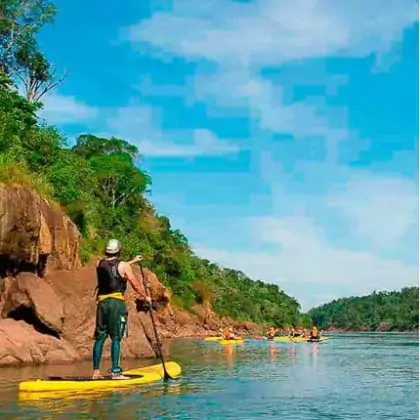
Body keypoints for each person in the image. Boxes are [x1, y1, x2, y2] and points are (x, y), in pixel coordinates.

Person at [92, 239, 152, 380]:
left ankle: (95, 372)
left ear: (106, 250)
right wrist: (146, 297)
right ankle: (116, 372)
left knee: (100, 338)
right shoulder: (123, 266)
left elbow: (112, 269)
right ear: (119, 251)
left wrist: (132, 261)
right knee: (116, 338)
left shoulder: (98, 263)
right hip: (116, 303)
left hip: (102, 303)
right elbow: (134, 283)